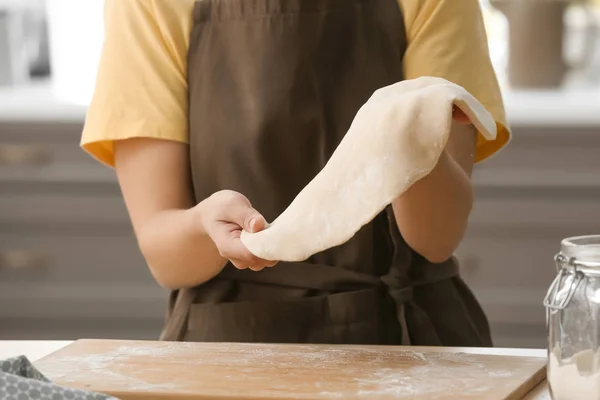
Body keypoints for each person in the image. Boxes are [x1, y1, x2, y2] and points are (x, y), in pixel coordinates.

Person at [81, 0, 511, 345]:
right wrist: (204, 226)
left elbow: (437, 239)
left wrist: (411, 136)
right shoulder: (148, 5)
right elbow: (163, 254)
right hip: (227, 351)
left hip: (406, 339)